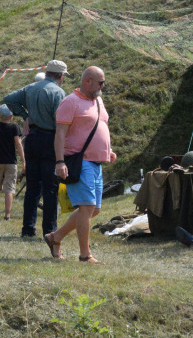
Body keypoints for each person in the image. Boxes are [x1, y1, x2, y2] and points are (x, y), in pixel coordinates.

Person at [47, 67, 115, 263]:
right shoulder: (70, 102)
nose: (103, 86)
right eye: (100, 83)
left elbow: (101, 125)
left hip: (96, 162)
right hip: (80, 161)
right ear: (87, 81)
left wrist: (107, 150)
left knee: (94, 210)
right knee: (87, 207)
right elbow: (59, 134)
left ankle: (55, 237)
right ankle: (85, 255)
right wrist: (59, 161)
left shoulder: (98, 101)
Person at [3, 59, 68, 238]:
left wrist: (26, 116)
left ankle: (28, 228)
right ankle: (49, 230)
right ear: (61, 76)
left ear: (47, 73)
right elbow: (60, 121)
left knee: (32, 187)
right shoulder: (59, 93)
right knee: (50, 188)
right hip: (50, 139)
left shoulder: (31, 88)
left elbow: (8, 100)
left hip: (32, 139)